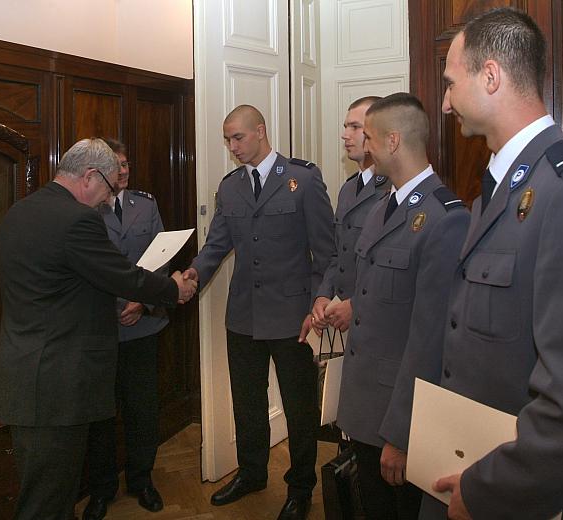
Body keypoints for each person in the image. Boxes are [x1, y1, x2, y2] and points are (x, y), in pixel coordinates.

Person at [426, 7, 563, 519]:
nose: (444, 103)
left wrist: (488, 489)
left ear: (490, 76)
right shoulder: (497, 190)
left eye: (450, 83)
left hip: (561, 499)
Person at [0, 138, 196, 520]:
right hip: (56, 382)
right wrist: (174, 289)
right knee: (46, 502)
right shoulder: (77, 219)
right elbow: (120, 275)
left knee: (47, 493)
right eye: (109, 188)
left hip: (24, 375)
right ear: (90, 176)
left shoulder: (20, 210)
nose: (106, 199)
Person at [183, 105, 335, 520]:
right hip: (244, 316)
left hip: (293, 319)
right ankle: (252, 473)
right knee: (247, 402)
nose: (232, 147)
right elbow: (217, 245)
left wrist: (318, 302)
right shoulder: (230, 187)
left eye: (238, 138)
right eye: (228, 140)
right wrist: (192, 275)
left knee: (299, 407)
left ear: (260, 131)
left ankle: (301, 486)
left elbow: (326, 253)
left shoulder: (302, 180)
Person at [330, 93, 469, 519]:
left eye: (368, 137)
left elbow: (430, 340)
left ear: (392, 141)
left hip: (399, 418)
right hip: (366, 407)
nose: (362, 146)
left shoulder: (445, 217)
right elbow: (372, 302)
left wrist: (403, 433)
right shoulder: (381, 208)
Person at [81, 139, 168, 520]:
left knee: (142, 409)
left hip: (142, 326)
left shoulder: (145, 204)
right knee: (100, 414)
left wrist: (143, 302)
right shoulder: (83, 210)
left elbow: (162, 258)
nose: (124, 171)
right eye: (117, 164)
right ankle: (101, 489)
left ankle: (141, 479)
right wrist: (117, 306)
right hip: (100, 328)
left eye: (127, 163)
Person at [298, 95, 386, 338]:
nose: (345, 135)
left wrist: (357, 305)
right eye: (346, 126)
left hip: (378, 322)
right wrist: (324, 294)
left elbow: (391, 268)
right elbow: (338, 254)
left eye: (355, 127)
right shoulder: (348, 189)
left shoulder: (393, 188)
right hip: (343, 321)